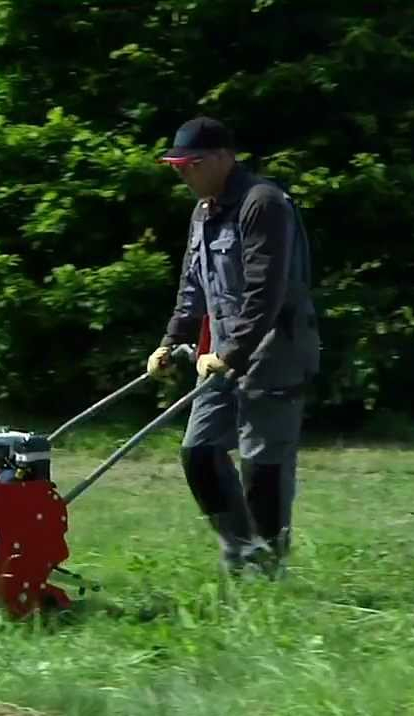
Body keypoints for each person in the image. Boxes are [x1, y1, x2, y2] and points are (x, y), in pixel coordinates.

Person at [147, 116, 320, 578]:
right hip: (221, 354)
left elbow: (266, 291)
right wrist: (172, 341)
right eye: (176, 166)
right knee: (198, 451)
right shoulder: (205, 210)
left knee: (262, 462)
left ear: (225, 157)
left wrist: (232, 354)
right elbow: (192, 286)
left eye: (192, 163)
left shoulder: (262, 204)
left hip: (273, 349)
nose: (183, 173)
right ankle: (241, 552)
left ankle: (269, 565)